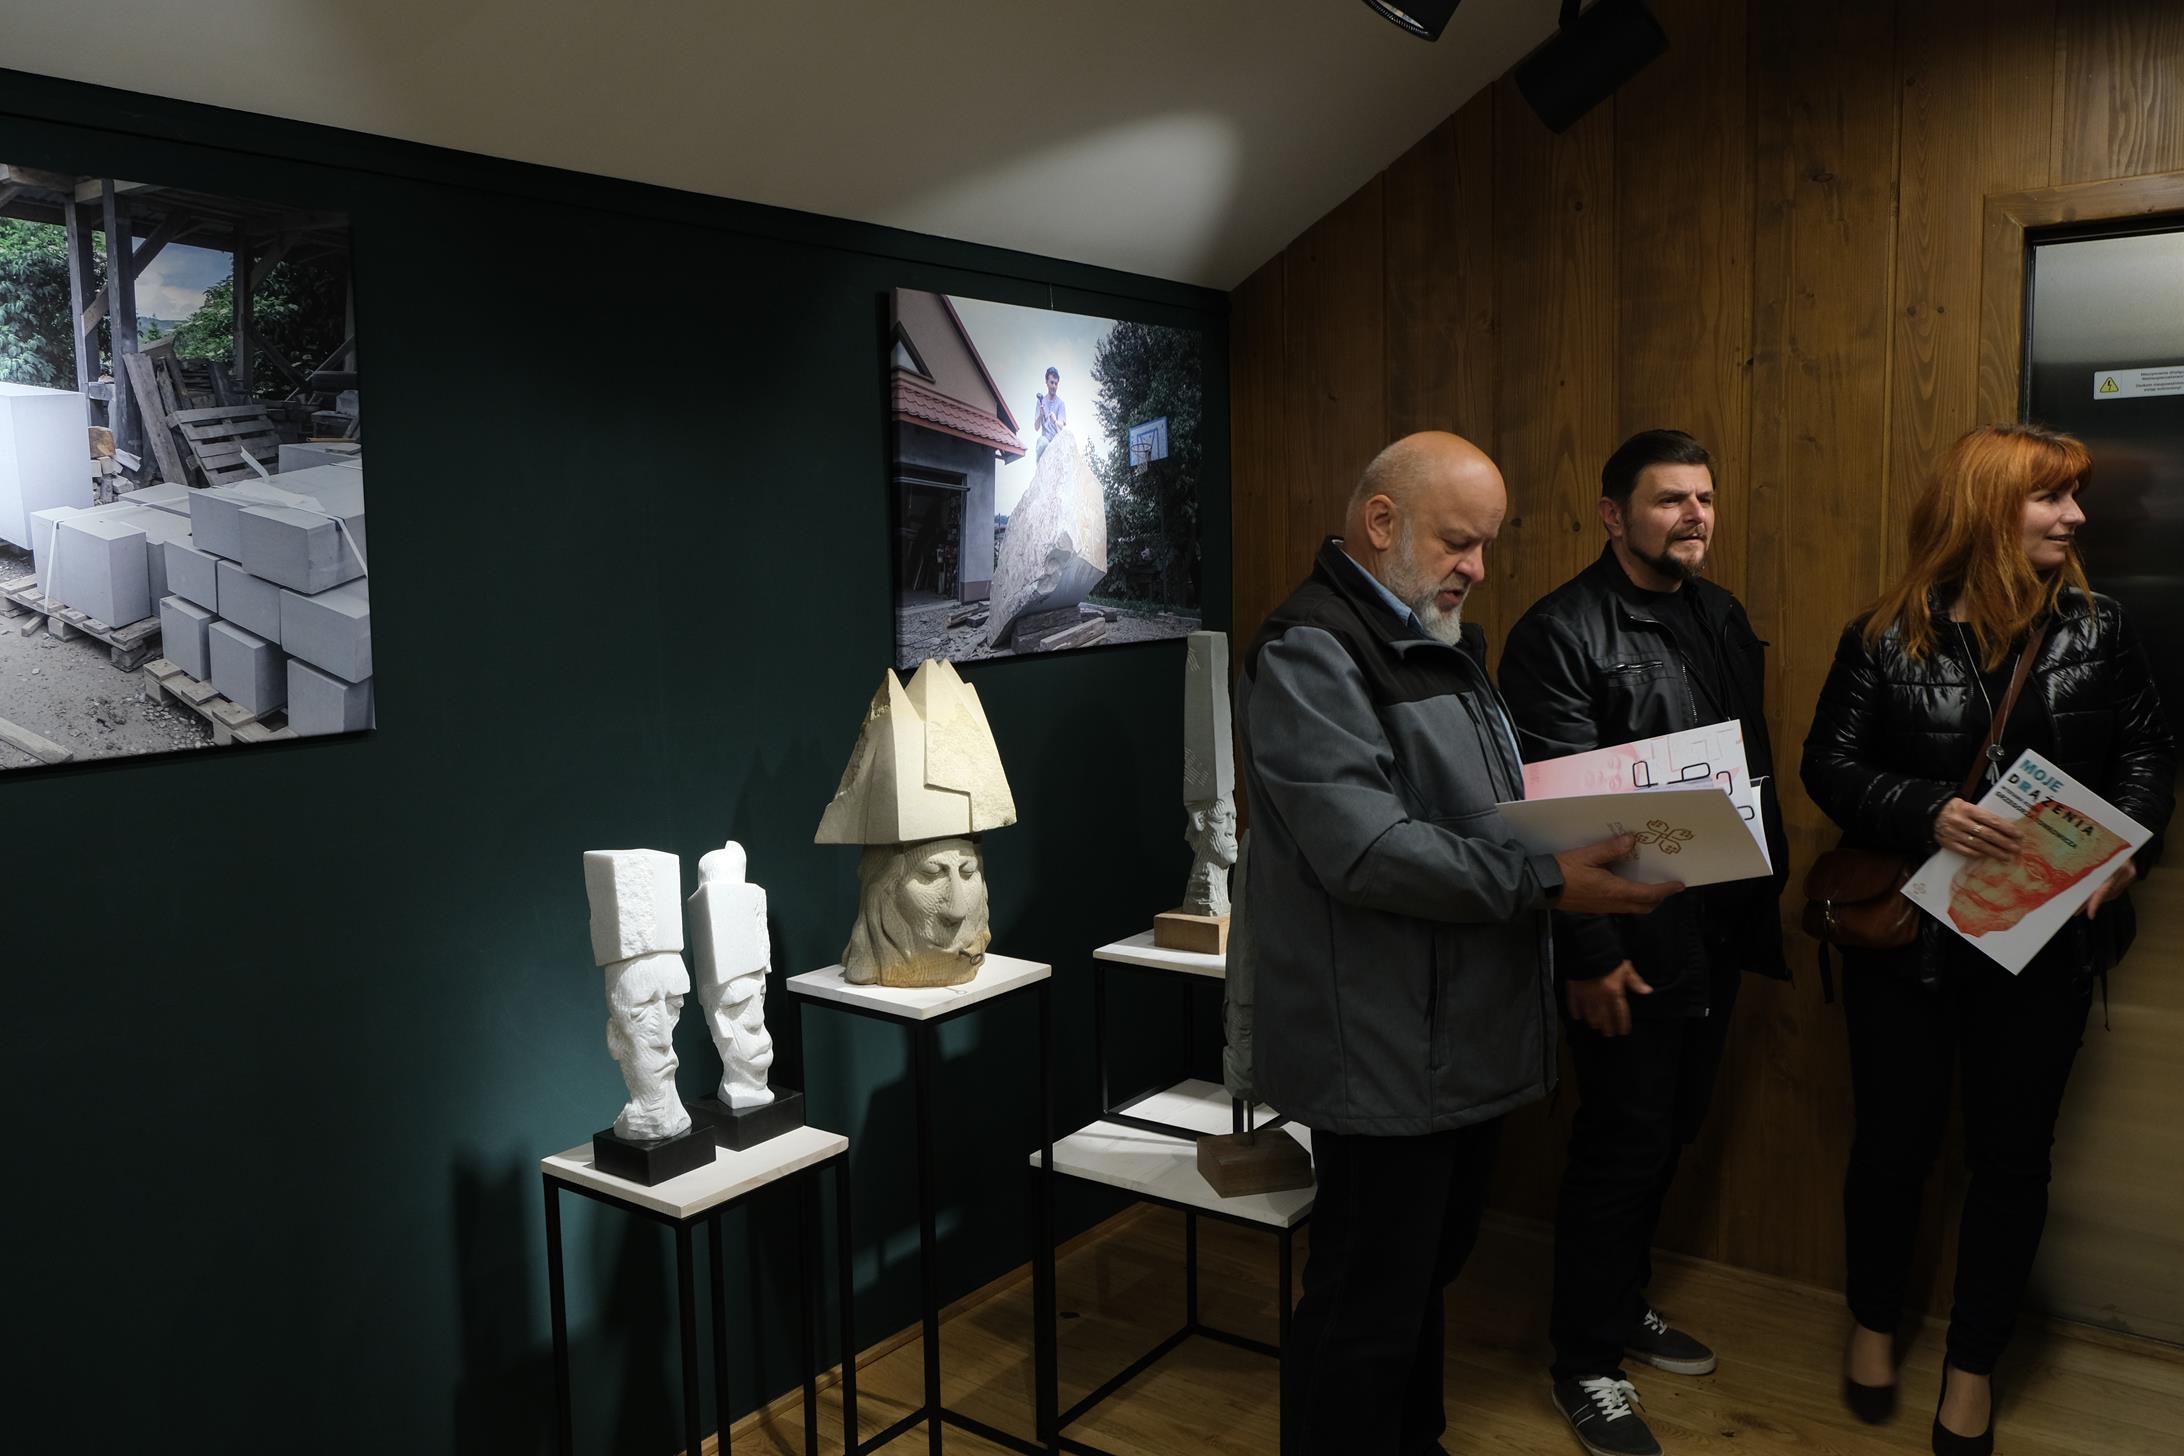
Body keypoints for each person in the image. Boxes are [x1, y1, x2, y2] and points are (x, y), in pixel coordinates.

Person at [1235, 430, 1682, 1456]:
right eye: (1460, 542)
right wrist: (1547, 877)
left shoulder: (1436, 636)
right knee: (1364, 1305)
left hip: (1449, 1040)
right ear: (1380, 521)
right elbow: (1367, 850)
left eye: (1487, 544)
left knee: (1419, 1281)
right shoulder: (1311, 649)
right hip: (1380, 1048)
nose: (1479, 567)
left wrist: (1581, 833)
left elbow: (1474, 812)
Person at [1801, 422, 2172, 1456]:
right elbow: (1828, 764)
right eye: (2052, 497)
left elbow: (2149, 755)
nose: (2076, 517)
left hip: (2045, 948)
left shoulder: (2100, 628)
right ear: (1988, 508)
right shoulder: (1886, 635)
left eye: (2075, 496)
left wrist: (2124, 851)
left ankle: (1972, 1367)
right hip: (1910, 947)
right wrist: (1927, 810)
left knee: (2012, 1162)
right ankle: (1875, 1322)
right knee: (1893, 1146)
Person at [1500, 430, 1789, 1456]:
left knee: (1669, 1132)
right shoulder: (1560, 633)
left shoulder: (1720, 613)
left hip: (1712, 928)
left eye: (1704, 497)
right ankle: (1584, 1362)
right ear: (1613, 515)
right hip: (1625, 941)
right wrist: (1587, 955)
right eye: (1670, 499)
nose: (1694, 515)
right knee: (1620, 1145)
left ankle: (1619, 1306)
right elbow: (1556, 817)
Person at [1033, 366, 1065, 460]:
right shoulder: (1040, 402)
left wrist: (1055, 421)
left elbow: (1061, 426)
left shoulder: (1061, 404)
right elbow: (1036, 428)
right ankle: (1039, 465)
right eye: (1051, 382)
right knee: (1042, 442)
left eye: (1056, 383)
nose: (1054, 386)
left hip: (1056, 441)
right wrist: (1040, 415)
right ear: (1046, 382)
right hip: (1045, 440)